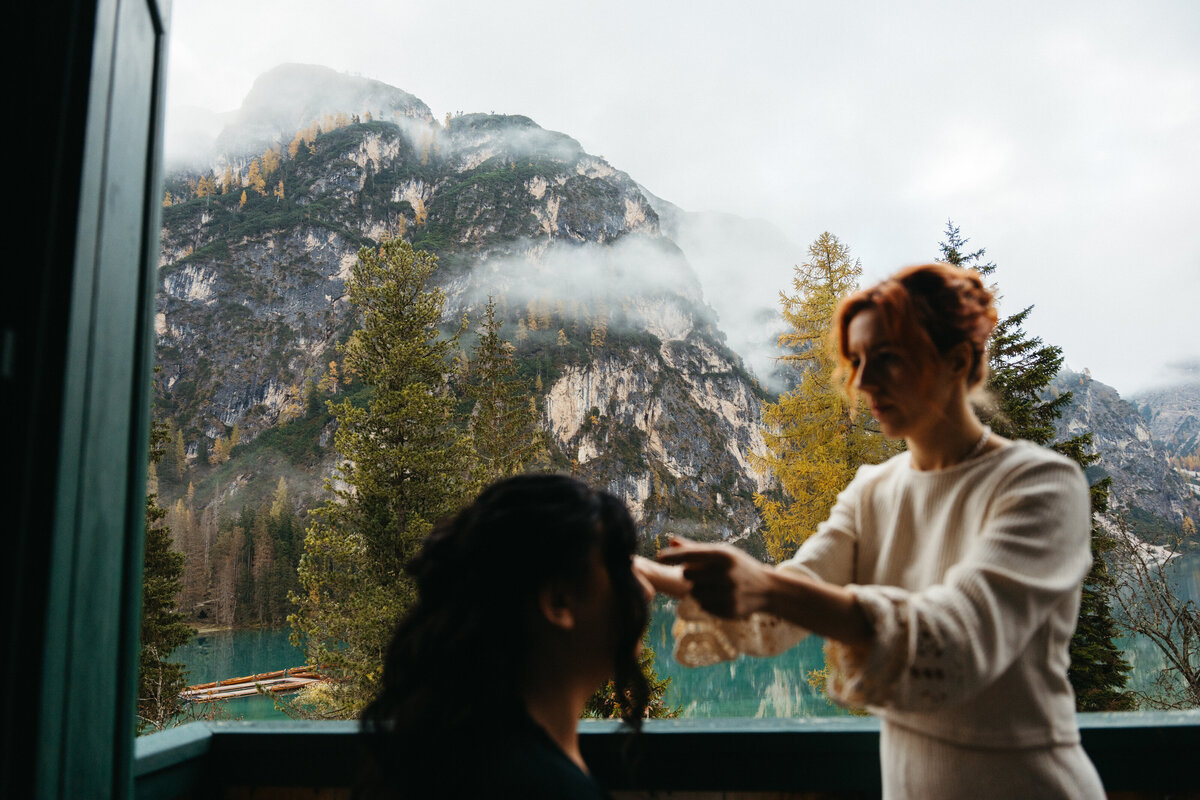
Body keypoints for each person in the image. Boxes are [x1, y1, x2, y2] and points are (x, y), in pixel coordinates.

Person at [636, 262, 1106, 799]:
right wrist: (649, 571)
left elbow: (953, 643)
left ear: (956, 360)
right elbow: (786, 605)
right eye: (856, 362)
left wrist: (767, 586)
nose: (861, 382)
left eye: (887, 359)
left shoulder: (1041, 483)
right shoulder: (873, 490)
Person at [360, 474, 651, 799]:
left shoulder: (464, 751)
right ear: (557, 602)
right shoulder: (546, 788)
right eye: (622, 566)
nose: (646, 591)